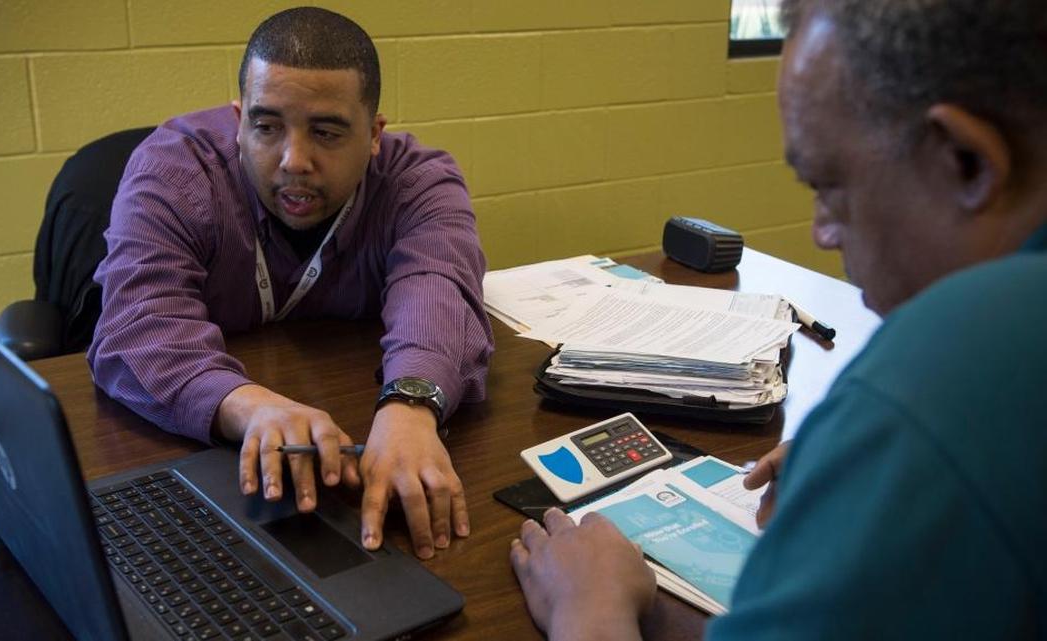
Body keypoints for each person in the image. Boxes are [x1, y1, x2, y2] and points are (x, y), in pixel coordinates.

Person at [509, 0, 1047, 638]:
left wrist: (590, 611)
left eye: (829, 186)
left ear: (965, 162)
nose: (822, 232)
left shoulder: (955, 363)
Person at [88, 7, 493, 560]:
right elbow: (139, 325)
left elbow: (439, 291)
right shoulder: (174, 170)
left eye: (326, 132)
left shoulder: (418, 181)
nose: (293, 160)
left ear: (374, 135)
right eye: (267, 127)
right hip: (206, 481)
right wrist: (249, 407)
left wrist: (410, 406)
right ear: (239, 122)